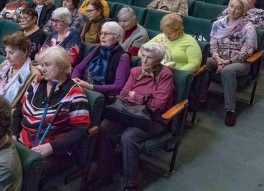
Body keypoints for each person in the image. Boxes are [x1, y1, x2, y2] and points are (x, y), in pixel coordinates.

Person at [88, 42, 174, 190]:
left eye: (150, 57)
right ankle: (105, 175)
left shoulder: (165, 74)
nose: (145, 60)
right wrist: (143, 98)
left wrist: (137, 96)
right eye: (143, 56)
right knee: (104, 128)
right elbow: (123, 94)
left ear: (158, 60)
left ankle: (131, 184)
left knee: (129, 137)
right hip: (128, 113)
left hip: (152, 119)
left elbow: (158, 105)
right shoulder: (135, 71)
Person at [12, 46, 90, 183]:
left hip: (54, 152)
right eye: (41, 65)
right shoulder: (37, 83)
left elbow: (81, 130)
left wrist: (52, 147)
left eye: (47, 65)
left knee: (20, 171)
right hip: (22, 142)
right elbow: (19, 109)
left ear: (61, 66)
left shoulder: (75, 93)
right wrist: (13, 133)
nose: (42, 69)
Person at [206, 0, 257, 126]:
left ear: (244, 11)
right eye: (231, 6)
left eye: (238, 8)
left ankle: (230, 111)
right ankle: (200, 98)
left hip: (240, 62)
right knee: (205, 62)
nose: (233, 10)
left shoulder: (248, 27)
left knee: (227, 71)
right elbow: (213, 45)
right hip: (219, 58)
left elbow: (247, 52)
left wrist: (227, 62)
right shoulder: (218, 23)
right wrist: (217, 58)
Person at [72, 22, 131, 101]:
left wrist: (91, 87)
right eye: (101, 33)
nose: (102, 37)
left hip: (101, 95)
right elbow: (78, 69)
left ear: (117, 37)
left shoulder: (123, 57)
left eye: (107, 34)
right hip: (84, 87)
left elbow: (118, 86)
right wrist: (74, 80)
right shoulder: (97, 48)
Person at [0, 32, 40, 107]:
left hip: (5, 115)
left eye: (11, 53)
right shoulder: (5, 64)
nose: (7, 57)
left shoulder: (34, 74)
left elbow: (22, 108)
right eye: (6, 52)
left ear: (24, 52)